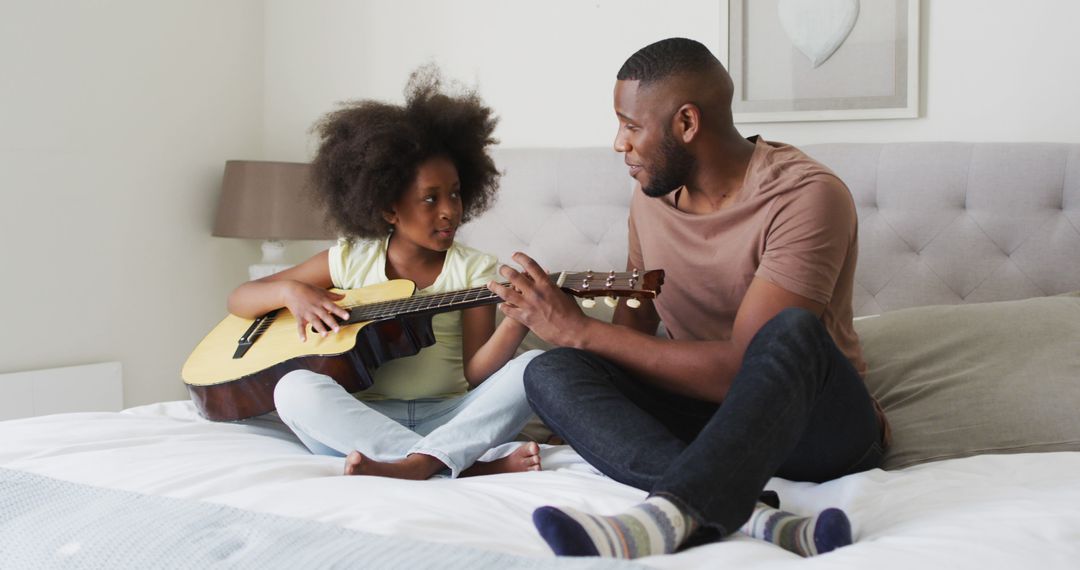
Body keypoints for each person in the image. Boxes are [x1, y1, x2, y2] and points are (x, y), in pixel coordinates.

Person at [488, 38, 889, 558]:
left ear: (686, 124)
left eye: (631, 125)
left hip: (815, 429)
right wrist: (560, 325)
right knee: (547, 371)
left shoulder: (805, 196)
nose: (618, 143)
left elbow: (743, 370)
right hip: (699, 419)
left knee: (790, 333)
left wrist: (582, 329)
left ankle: (660, 517)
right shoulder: (651, 194)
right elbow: (631, 337)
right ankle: (760, 519)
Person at [227, 66, 542, 480]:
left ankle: (416, 463)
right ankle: (459, 466)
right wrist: (291, 292)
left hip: (451, 416)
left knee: (534, 367)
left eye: (455, 194)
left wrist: (516, 325)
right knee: (293, 390)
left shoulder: (474, 269)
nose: (449, 209)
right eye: (430, 199)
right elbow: (240, 298)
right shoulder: (349, 260)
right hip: (363, 419)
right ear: (389, 208)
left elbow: (475, 373)